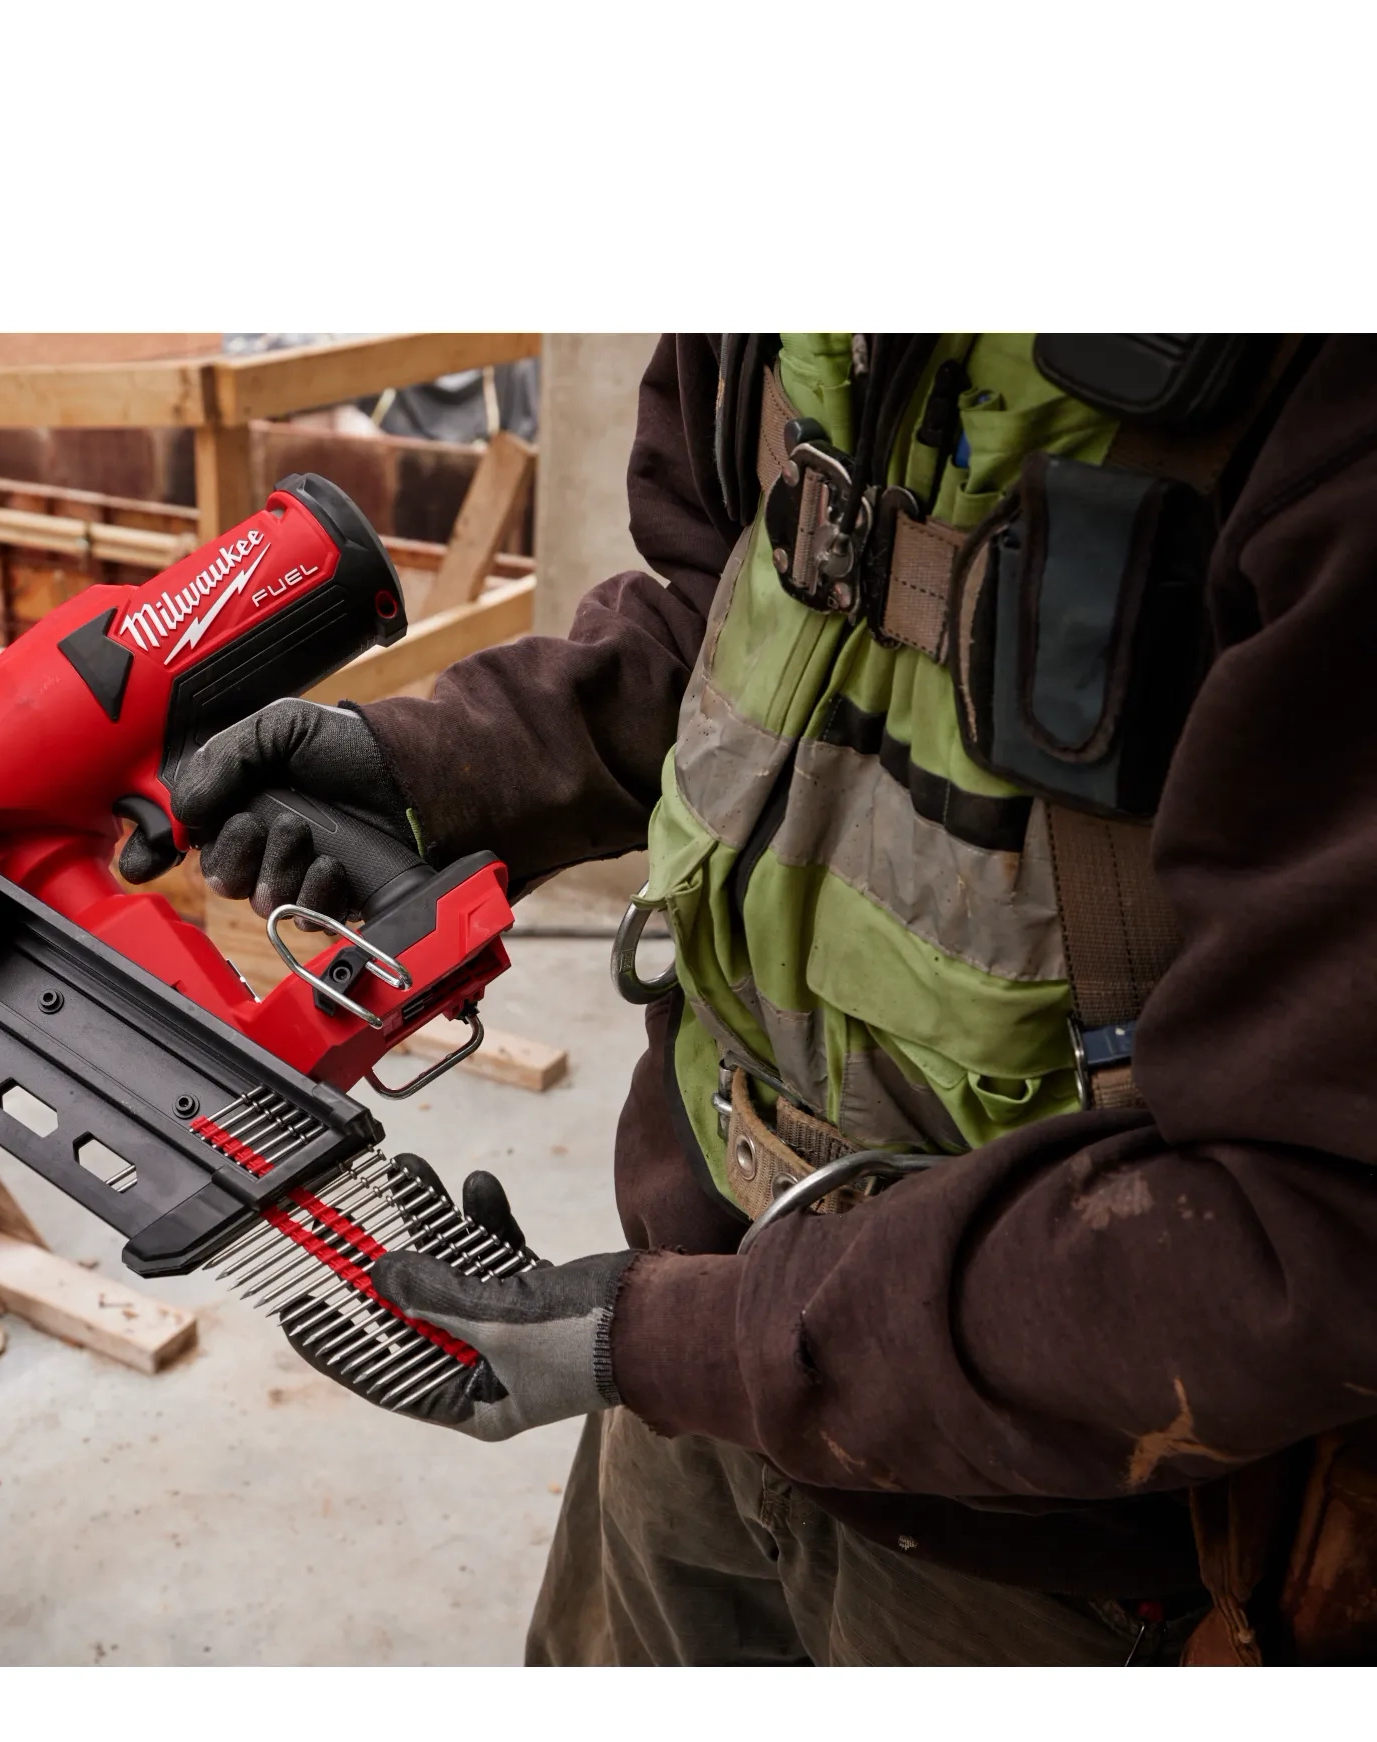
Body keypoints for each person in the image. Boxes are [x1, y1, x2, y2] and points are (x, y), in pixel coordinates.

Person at [137, 335, 1377, 1667]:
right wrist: (428, 764)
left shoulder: (1321, 412)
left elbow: (1310, 1228)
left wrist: (673, 1342)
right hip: (695, 1346)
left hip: (1054, 1547)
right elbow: (741, 606)